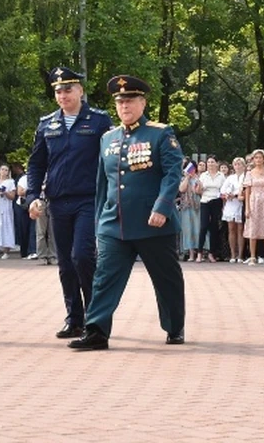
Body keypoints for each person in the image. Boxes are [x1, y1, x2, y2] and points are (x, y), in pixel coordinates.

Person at [69, 75, 186, 350]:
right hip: (115, 223)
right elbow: (103, 183)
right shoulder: (108, 138)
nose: (125, 106)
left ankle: (174, 326)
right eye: (120, 101)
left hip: (153, 223)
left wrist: (162, 207)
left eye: (130, 100)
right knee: (104, 278)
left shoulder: (160, 133)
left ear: (143, 102)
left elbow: (172, 174)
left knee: (166, 279)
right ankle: (96, 330)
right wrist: (100, 220)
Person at [26, 66, 113, 339]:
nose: (63, 95)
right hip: (57, 201)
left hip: (88, 199)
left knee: (82, 256)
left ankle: (96, 316)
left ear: (80, 91)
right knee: (65, 263)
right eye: (58, 90)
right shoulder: (47, 124)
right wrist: (32, 196)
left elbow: (110, 159)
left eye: (68, 89)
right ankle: (74, 318)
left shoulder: (99, 121)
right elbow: (36, 164)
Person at [243, 149, 264, 266]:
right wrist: (247, 208)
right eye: (256, 157)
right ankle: (252, 256)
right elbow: (247, 191)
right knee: (253, 228)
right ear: (253, 159)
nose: (258, 160)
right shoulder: (249, 173)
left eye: (260, 157)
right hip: (254, 201)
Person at [198, 156, 225, 262]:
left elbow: (223, 189)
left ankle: (211, 253)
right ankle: (199, 252)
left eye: (212, 162)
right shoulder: (203, 176)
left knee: (214, 227)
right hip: (205, 201)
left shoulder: (221, 176)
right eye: (208, 162)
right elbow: (198, 191)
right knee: (203, 226)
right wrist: (200, 188)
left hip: (217, 201)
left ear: (216, 163)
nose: (210, 164)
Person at [221, 157, 246, 263]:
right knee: (231, 229)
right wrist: (227, 194)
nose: (237, 166)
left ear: (243, 166)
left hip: (241, 203)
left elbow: (246, 190)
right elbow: (222, 189)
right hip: (231, 204)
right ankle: (232, 254)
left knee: (240, 229)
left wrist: (236, 194)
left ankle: (240, 255)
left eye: (239, 164)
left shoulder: (246, 176)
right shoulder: (230, 177)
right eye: (235, 164)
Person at [178, 159, 202, 262]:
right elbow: (181, 189)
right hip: (186, 206)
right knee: (188, 230)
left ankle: (200, 252)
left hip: (197, 205)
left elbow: (199, 191)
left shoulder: (199, 178)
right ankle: (191, 253)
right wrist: (187, 177)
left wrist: (196, 180)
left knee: (198, 228)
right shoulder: (183, 179)